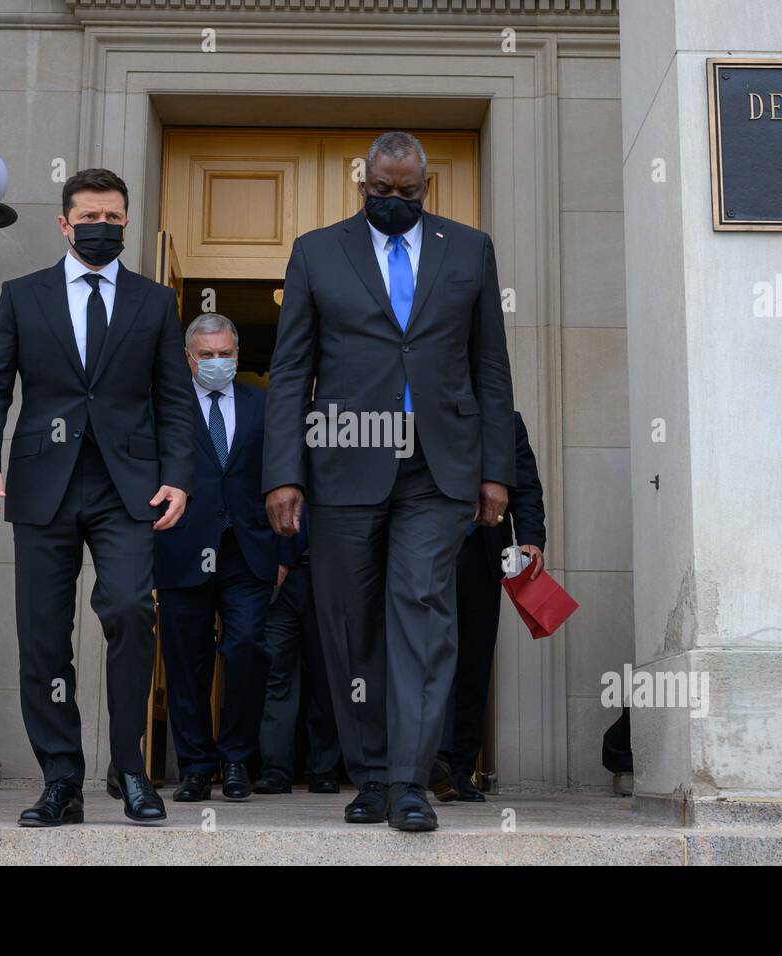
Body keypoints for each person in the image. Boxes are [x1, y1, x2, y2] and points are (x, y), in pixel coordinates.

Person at [264, 131, 515, 832]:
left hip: (438, 468)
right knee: (348, 623)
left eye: (409, 192)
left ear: (426, 189)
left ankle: (409, 778)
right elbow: (289, 371)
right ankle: (368, 771)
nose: (396, 202)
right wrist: (283, 473)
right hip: (345, 457)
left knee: (423, 607)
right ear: (362, 185)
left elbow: (490, 368)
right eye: (383, 191)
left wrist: (497, 470)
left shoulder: (470, 249)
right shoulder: (318, 251)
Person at [0, 167, 193, 826]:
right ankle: (61, 778)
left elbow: (176, 400)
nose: (101, 228)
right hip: (44, 486)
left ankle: (130, 769)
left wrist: (178, 473)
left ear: (126, 223)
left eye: (113, 220)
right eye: (89, 218)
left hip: (128, 487)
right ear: (65, 224)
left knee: (128, 610)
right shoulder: (22, 296)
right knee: (42, 636)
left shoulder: (153, 303)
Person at [152, 314, 276, 801]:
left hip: (246, 552)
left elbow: (284, 478)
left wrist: (283, 548)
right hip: (181, 546)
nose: (217, 362)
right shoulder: (166, 407)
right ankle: (196, 766)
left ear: (237, 354)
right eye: (206, 355)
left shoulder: (262, 405)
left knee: (247, 649)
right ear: (188, 358)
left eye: (225, 353)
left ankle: (235, 760)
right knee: (186, 662)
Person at [430, 411, 546, 802]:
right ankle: (430, 761)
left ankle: (460, 770)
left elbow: (527, 488)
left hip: (482, 554)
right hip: (427, 552)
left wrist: (531, 539)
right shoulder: (423, 410)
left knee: (474, 661)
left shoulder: (507, 422)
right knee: (429, 653)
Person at [253, 506, 343, 795]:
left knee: (327, 677)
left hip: (330, 574)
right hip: (282, 577)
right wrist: (277, 557)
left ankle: (324, 770)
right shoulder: (278, 458)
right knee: (277, 672)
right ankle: (276, 770)